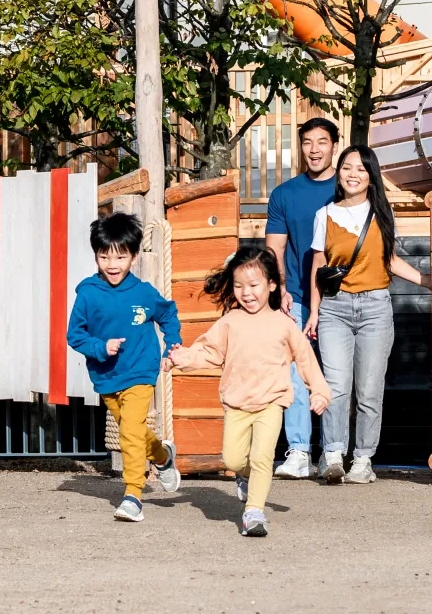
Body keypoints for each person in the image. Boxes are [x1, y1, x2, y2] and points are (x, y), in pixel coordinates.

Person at [168, 247, 330, 537]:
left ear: (271, 285)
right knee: (232, 459)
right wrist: (183, 358)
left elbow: (305, 358)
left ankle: (254, 512)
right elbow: (209, 352)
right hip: (237, 404)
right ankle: (243, 476)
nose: (247, 293)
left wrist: (319, 391)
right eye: (239, 286)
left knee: (262, 457)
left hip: (272, 402)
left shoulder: (284, 324)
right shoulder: (230, 322)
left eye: (254, 285)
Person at [306, 145, 431, 484]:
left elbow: (389, 260)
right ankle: (332, 455)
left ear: (371, 176)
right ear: (339, 172)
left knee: (370, 389)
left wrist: (427, 281)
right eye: (347, 167)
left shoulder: (382, 214)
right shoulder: (325, 215)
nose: (352, 174)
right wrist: (314, 312)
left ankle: (363, 459)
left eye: (360, 169)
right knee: (336, 385)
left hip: (376, 307)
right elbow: (319, 266)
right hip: (335, 308)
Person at [66, 212, 182, 523]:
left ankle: (133, 494)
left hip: (141, 371)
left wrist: (172, 345)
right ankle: (162, 456)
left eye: (120, 256)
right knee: (135, 432)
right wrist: (100, 348)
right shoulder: (88, 293)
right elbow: (75, 335)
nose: (112, 264)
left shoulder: (143, 293)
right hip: (106, 375)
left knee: (130, 431)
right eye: (105, 256)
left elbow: (168, 314)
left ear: (133, 255)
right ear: (96, 256)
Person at [264, 117, 339, 479]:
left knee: (335, 374)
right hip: (294, 296)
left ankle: (334, 452)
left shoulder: (350, 187)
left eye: (321, 142)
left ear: (334, 147)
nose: (314, 150)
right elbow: (274, 247)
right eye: (308, 142)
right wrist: (279, 291)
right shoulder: (284, 194)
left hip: (340, 299)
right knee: (294, 375)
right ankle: (298, 451)